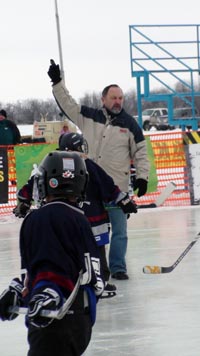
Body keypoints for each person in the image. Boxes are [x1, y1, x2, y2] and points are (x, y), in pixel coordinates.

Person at [47, 60, 150, 280]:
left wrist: (142, 177)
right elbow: (68, 104)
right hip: (90, 189)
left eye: (121, 98)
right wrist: (57, 83)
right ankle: (90, 267)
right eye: (113, 97)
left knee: (119, 232)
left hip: (116, 188)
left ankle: (117, 267)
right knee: (91, 231)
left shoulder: (130, 124)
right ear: (103, 99)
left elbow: (140, 152)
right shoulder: (88, 116)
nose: (118, 101)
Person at [0, 150, 104, 356]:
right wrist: (18, 290)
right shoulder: (80, 219)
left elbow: (50, 269)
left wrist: (47, 291)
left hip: (53, 321)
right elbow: (83, 275)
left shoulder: (41, 218)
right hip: (79, 323)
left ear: (47, 182)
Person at [13, 132, 138, 297]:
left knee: (65, 249)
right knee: (94, 253)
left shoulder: (52, 162)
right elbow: (107, 185)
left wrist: (24, 201)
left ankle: (65, 280)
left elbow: (34, 183)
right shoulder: (86, 164)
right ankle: (98, 281)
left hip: (65, 221)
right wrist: (123, 201)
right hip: (90, 222)